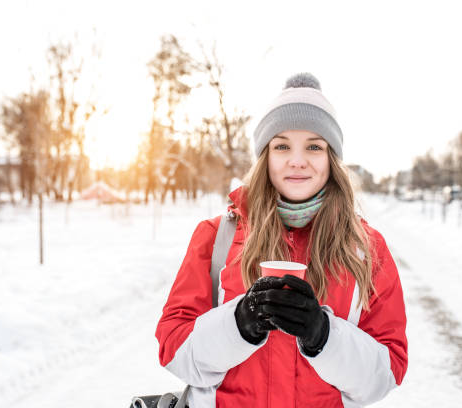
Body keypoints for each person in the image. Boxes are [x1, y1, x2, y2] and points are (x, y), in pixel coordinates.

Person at [156, 73, 408, 407]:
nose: (298, 160)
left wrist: (323, 336)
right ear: (266, 157)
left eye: (314, 146)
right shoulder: (217, 236)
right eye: (282, 146)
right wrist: (238, 325)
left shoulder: (367, 249)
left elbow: (386, 375)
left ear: (332, 159)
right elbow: (173, 350)